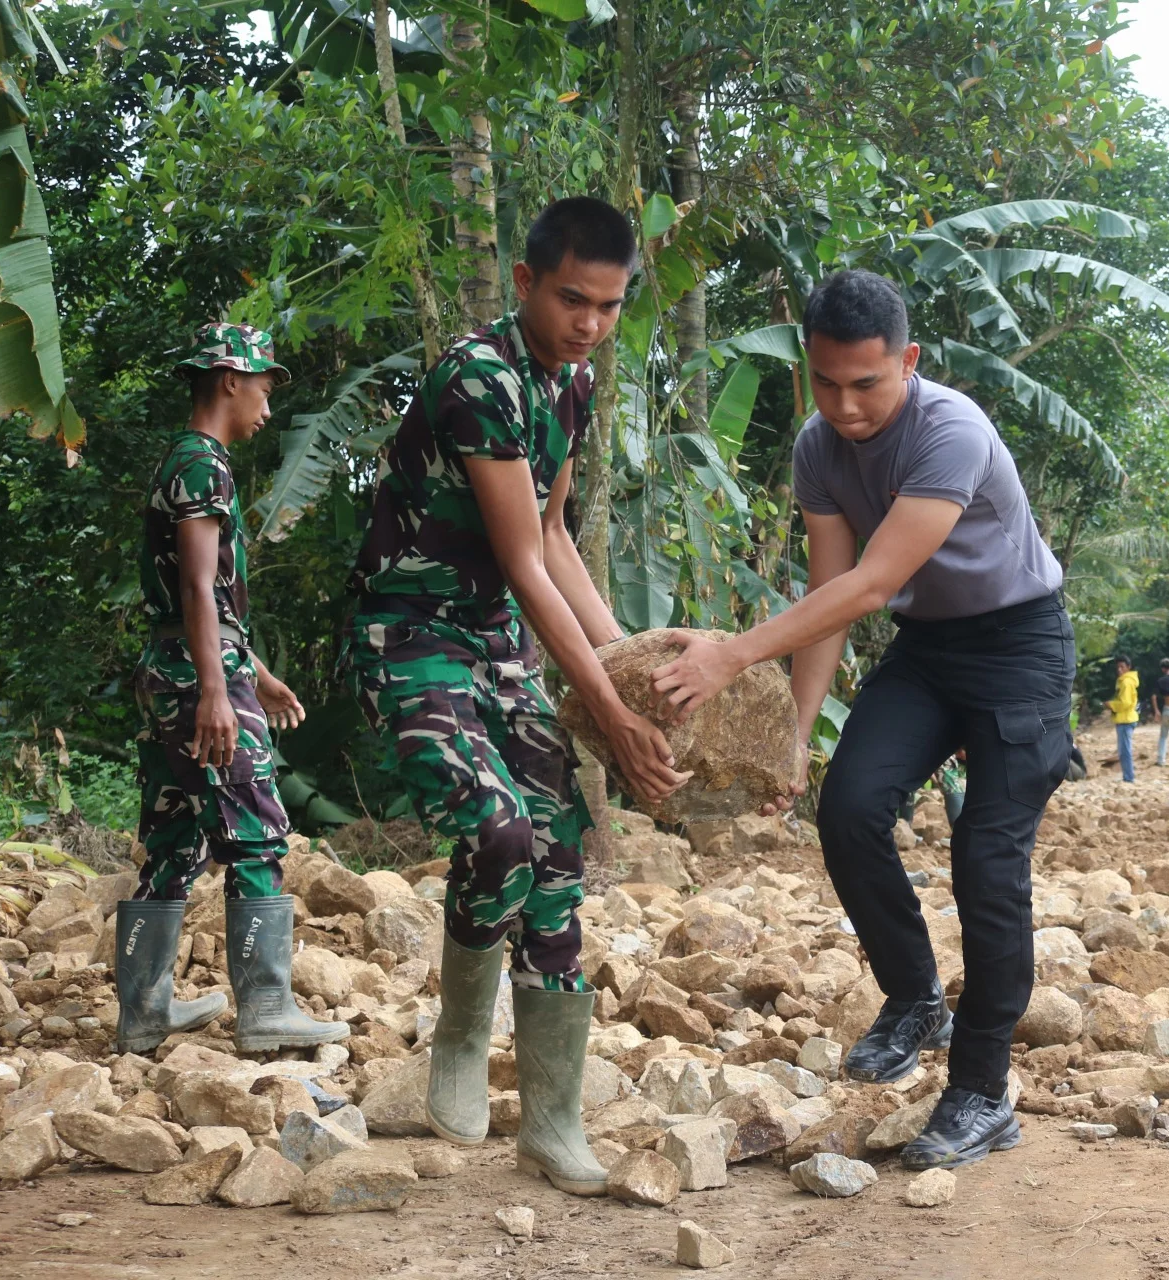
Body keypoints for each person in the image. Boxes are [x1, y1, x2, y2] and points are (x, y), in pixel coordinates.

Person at [648, 269, 1075, 1170]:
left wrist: (730, 654)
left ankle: (981, 1089)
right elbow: (830, 595)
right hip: (926, 652)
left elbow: (875, 581)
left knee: (987, 860)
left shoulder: (950, 429)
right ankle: (915, 996)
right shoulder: (818, 447)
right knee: (846, 808)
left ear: (908, 362)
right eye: (826, 383)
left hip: (1020, 650)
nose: (844, 407)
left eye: (867, 384)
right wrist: (794, 737)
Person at [341, 198, 688, 1195]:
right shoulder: (477, 379)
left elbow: (558, 536)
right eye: (574, 299)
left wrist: (629, 659)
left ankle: (550, 1119)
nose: (591, 323)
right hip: (410, 638)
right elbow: (522, 561)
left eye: (611, 307)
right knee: (494, 828)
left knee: (559, 852)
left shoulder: (570, 384)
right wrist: (614, 717)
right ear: (528, 281)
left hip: (493, 647)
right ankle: (457, 1037)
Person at [119, 324, 351, 1057]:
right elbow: (194, 582)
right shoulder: (202, 463)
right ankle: (266, 1008)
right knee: (255, 827)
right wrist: (218, 692)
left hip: (180, 668)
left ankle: (144, 1012)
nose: (267, 406)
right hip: (196, 679)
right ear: (229, 379)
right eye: (263, 387)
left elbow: (206, 599)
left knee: (175, 834)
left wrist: (256, 672)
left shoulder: (193, 461)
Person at [1105, 655, 1139, 782]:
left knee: (1125, 751)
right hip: (1125, 719)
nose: (1119, 669)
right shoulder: (1125, 681)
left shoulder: (1126, 682)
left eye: (1122, 667)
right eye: (1118, 667)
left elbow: (1125, 703)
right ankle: (1127, 776)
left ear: (1128, 667)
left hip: (1126, 720)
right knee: (1124, 750)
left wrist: (1111, 705)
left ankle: (1129, 778)